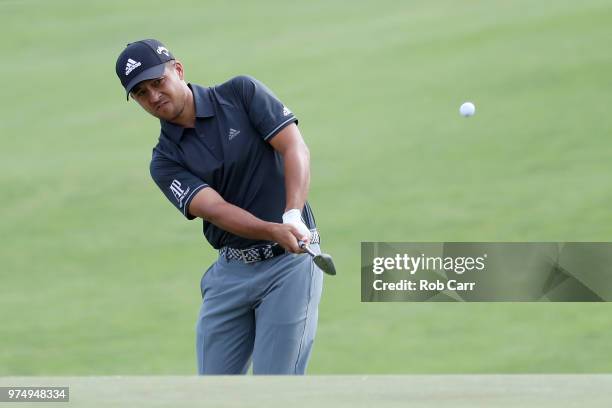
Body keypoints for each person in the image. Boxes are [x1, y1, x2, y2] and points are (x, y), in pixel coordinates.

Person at [115, 39, 324, 375]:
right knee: (213, 390)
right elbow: (216, 209)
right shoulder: (164, 160)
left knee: (276, 388)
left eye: (158, 83)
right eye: (140, 93)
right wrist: (272, 229)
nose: (153, 96)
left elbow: (294, 147)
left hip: (289, 264)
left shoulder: (241, 94)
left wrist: (292, 215)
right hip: (231, 273)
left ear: (178, 71)